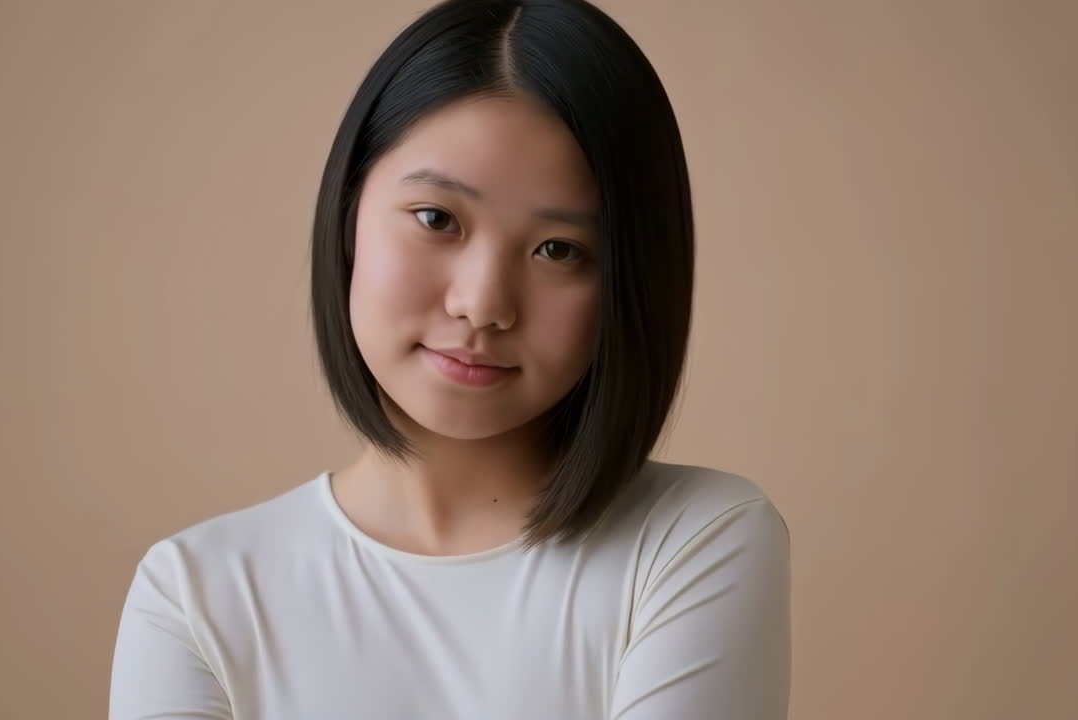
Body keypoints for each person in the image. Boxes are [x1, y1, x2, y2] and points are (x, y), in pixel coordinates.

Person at [108, 0, 791, 717]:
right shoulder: (197, 592)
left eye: (558, 250)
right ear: (347, 217)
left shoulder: (695, 542)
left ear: (630, 281)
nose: (483, 303)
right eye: (437, 219)